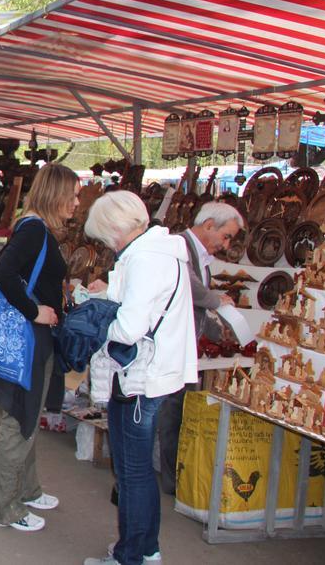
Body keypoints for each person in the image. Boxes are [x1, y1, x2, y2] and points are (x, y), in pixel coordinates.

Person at [82, 191, 196, 565]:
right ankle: (146, 548)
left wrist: (94, 319)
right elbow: (141, 303)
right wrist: (109, 293)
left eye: (103, 236)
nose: (105, 244)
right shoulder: (160, 252)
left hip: (140, 378)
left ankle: (129, 554)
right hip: (151, 374)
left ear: (115, 228)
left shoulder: (146, 258)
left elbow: (130, 327)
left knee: (132, 473)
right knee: (138, 470)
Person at [0, 163, 79, 533]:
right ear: (55, 194)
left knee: (28, 414)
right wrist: (34, 310)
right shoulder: (35, 230)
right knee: (19, 419)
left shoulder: (36, 228)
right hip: (29, 338)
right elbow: (4, 272)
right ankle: (2, 507)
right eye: (71, 195)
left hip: (35, 338)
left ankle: (26, 489)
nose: (75, 202)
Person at [156, 202, 244, 494]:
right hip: (171, 346)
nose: (226, 243)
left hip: (182, 346)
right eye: (227, 236)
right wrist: (216, 300)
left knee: (174, 414)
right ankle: (167, 481)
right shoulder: (179, 245)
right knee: (169, 415)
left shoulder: (199, 254)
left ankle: (170, 476)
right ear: (209, 226)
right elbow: (188, 287)